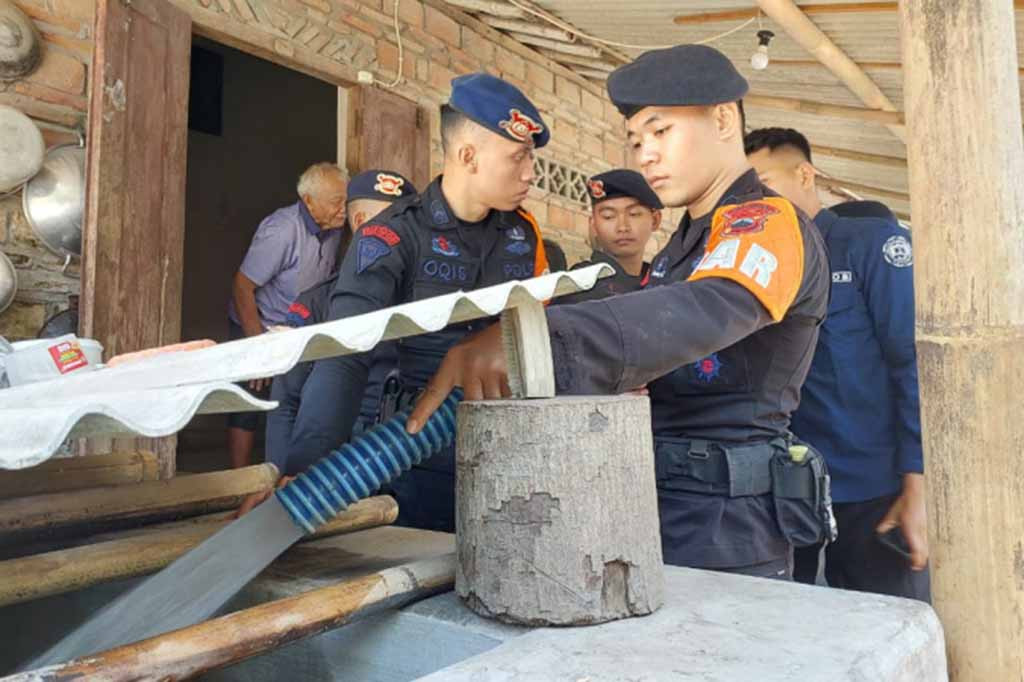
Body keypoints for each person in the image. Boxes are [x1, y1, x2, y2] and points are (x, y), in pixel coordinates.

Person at [408, 45, 830, 579]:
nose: (645, 154)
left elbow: (707, 306)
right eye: (635, 140)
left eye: (661, 132)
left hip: (727, 523)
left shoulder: (765, 221)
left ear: (723, 118)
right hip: (656, 501)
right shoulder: (685, 244)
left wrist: (538, 340)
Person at [285, 73, 549, 532]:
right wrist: (306, 467)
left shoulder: (522, 235)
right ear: (468, 156)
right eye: (518, 158)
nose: (530, 174)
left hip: (507, 450)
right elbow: (343, 354)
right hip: (411, 451)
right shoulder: (391, 235)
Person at [745, 126, 929, 600]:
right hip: (784, 491)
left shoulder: (869, 245)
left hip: (874, 491)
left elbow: (913, 367)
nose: (756, 201)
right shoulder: (756, 263)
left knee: (888, 628)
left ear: (805, 174)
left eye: (764, 182)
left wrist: (918, 484)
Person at [265, 169, 418, 473]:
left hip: (408, 458)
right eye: (397, 224)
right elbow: (285, 403)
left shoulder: (426, 300)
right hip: (335, 467)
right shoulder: (316, 304)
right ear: (360, 223)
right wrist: (282, 478)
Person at [226, 162, 348, 468]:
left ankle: (284, 473)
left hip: (297, 326)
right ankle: (239, 484)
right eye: (336, 202)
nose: (344, 210)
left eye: (346, 201)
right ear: (309, 201)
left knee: (293, 398)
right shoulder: (281, 231)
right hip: (258, 321)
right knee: (249, 401)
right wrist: (258, 349)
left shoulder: (334, 228)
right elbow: (242, 287)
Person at [557, 169, 661, 304]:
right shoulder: (578, 287)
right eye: (608, 216)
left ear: (655, 220)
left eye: (634, 214)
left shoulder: (663, 282)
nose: (622, 227)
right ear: (593, 225)